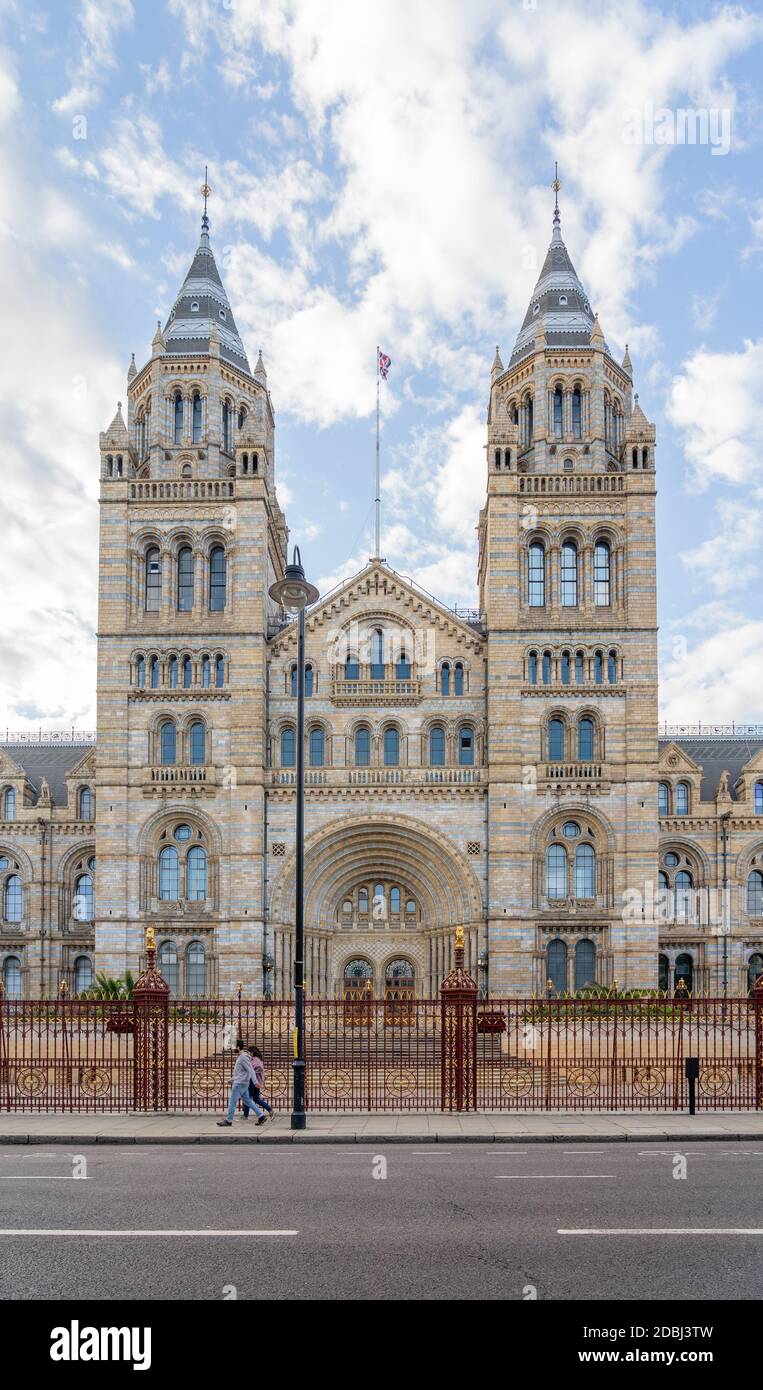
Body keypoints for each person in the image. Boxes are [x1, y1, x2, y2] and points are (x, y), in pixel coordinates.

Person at [216, 1040, 266, 1126]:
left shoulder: (243, 1057)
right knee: (248, 1100)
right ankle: (261, 1116)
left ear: (238, 1047)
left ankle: (228, 1120)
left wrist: (255, 1082)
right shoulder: (242, 1057)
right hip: (242, 1082)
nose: (232, 1049)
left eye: (234, 1047)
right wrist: (232, 1079)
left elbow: (250, 1070)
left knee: (232, 1101)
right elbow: (240, 1072)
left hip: (239, 1083)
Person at [242, 1045, 273, 1120]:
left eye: (249, 1052)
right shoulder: (257, 1059)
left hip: (253, 1081)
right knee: (256, 1099)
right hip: (256, 1081)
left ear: (252, 1052)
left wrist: (252, 1072)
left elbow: (259, 1068)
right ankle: (270, 1110)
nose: (248, 1054)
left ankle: (245, 1116)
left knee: (247, 1098)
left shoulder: (255, 1059)